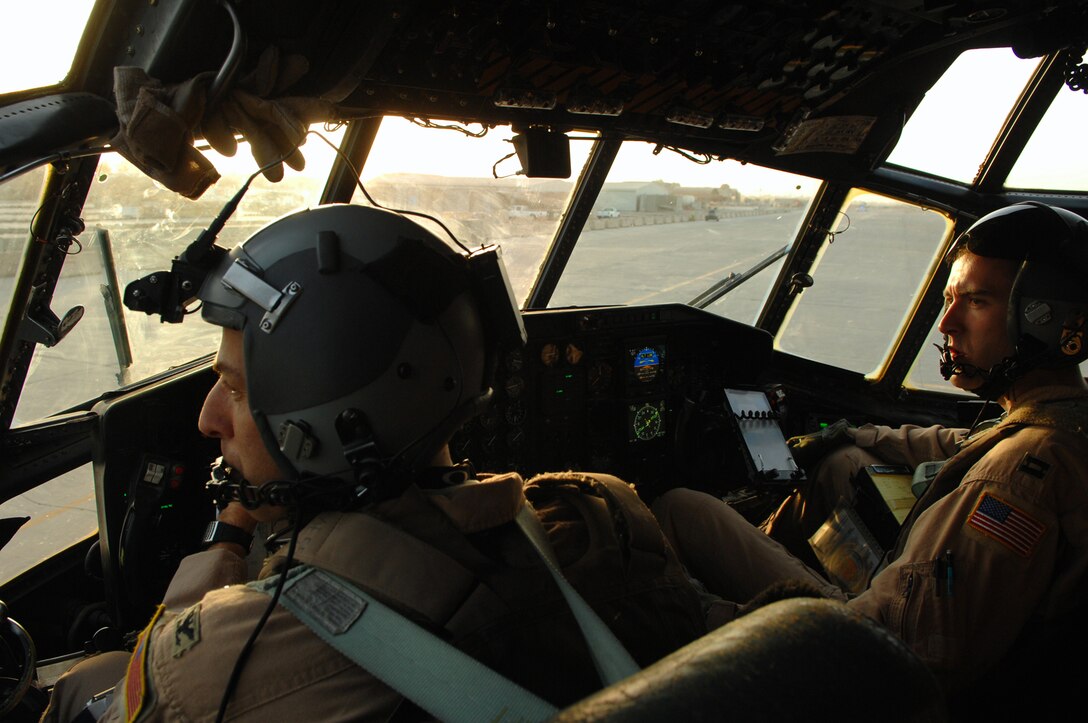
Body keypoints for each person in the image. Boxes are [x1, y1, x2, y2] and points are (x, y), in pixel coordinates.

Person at [42, 203, 704, 722]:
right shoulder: (611, 514)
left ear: (327, 424)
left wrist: (233, 532)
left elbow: (167, 673)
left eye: (237, 392)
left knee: (87, 680)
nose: (208, 419)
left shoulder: (228, 657)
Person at [653, 202, 1088, 698]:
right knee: (842, 463)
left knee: (678, 508)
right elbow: (959, 443)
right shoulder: (1059, 423)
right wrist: (852, 435)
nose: (946, 324)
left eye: (977, 302)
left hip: (860, 653)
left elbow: (906, 651)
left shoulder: (1015, 479)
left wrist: (706, 611)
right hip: (892, 621)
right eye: (949, 300)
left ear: (1044, 321)